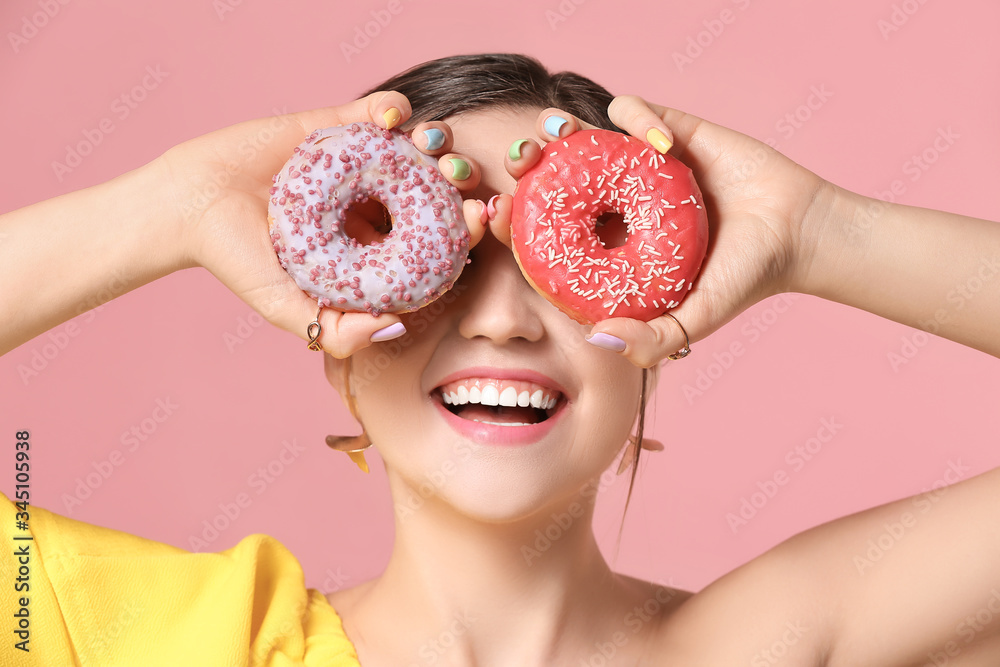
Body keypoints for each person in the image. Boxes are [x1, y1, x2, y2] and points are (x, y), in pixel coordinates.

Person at [2, 53, 998, 666]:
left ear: (659, 342)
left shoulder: (792, 640)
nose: (505, 323)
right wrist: (168, 207)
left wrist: (819, 232)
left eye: (566, 265)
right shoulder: (147, 638)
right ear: (335, 348)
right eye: (444, 261)